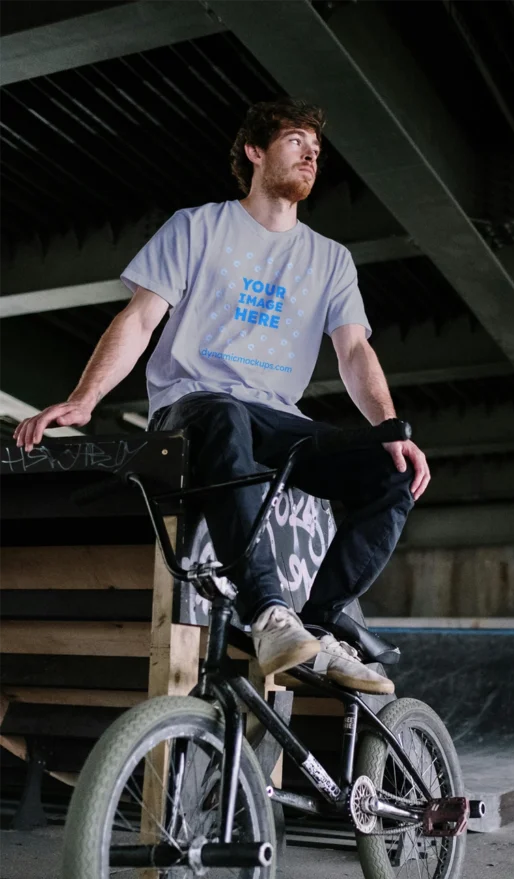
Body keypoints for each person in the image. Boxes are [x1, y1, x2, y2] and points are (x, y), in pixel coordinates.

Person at [13, 99, 430, 693]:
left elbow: (355, 352)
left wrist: (389, 428)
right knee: (226, 412)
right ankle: (269, 613)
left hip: (277, 417)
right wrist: (85, 398)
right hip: (194, 406)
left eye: (316, 148)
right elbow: (139, 319)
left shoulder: (331, 260)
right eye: (294, 141)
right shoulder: (196, 227)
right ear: (254, 152)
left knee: (388, 473)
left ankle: (318, 626)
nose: (311, 153)